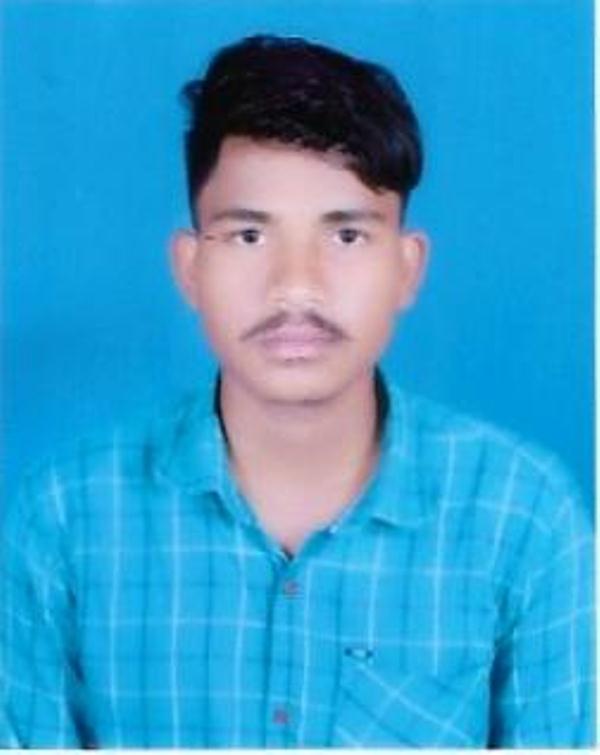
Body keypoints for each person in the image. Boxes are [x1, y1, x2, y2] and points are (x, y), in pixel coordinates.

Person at [1, 34, 594, 749]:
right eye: (249, 236)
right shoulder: (64, 520)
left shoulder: (522, 518)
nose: (296, 288)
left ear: (408, 269)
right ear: (189, 269)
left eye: (346, 236)